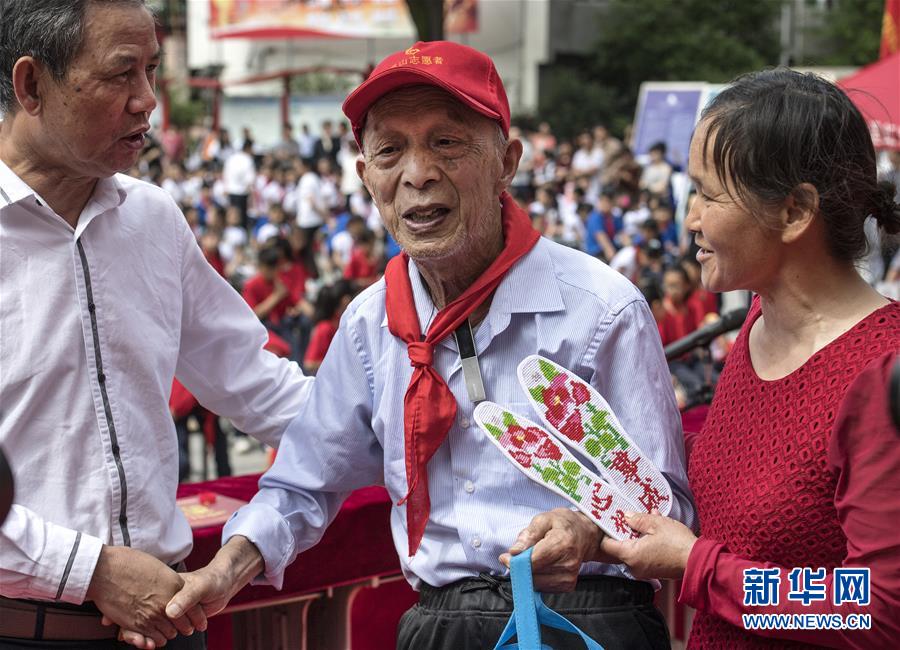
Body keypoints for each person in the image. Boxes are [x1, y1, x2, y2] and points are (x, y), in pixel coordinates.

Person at [159, 40, 694, 650]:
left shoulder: (600, 309)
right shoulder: (369, 326)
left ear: (507, 162)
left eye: (446, 143)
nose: (417, 173)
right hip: (440, 623)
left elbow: (670, 513)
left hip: (585, 619)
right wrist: (224, 571)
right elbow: (303, 483)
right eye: (390, 151)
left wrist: (588, 533)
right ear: (366, 177)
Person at [0, 1, 312, 648]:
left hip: (169, 622)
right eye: (122, 74)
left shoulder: (153, 219)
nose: (148, 102)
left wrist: (410, 429)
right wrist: (90, 571)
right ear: (31, 85)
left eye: (152, 71)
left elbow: (256, 383)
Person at [600, 69, 900, 648]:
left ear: (795, 211)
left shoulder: (880, 370)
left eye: (709, 195)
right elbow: (739, 490)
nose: (691, 219)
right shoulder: (757, 322)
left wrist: (698, 567)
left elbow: (875, 610)